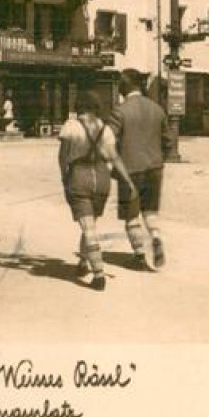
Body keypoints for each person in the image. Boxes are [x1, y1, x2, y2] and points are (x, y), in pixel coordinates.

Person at [58, 90, 137, 291]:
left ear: (79, 106)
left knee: (88, 227)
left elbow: (63, 157)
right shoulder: (105, 128)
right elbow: (114, 157)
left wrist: (65, 177)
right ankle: (83, 262)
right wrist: (128, 181)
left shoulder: (71, 126)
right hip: (102, 178)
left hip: (80, 176)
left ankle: (99, 275)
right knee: (91, 224)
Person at [110, 69, 172, 270]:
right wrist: (159, 158)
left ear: (126, 86)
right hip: (154, 168)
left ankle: (138, 255)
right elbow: (168, 141)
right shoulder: (157, 109)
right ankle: (155, 235)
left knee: (131, 215)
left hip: (129, 169)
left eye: (120, 84)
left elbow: (108, 141)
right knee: (150, 210)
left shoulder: (120, 111)